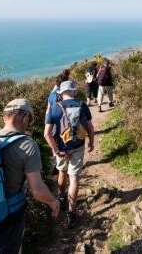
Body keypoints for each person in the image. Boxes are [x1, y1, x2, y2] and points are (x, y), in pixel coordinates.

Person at [0, 99, 60, 254]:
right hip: (9, 214)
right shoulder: (27, 144)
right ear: (24, 117)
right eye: (29, 119)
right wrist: (53, 201)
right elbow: (37, 191)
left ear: (5, 117)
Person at [44, 80, 94, 229]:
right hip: (78, 146)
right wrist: (91, 142)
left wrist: (56, 150)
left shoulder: (54, 107)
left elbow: (47, 134)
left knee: (62, 171)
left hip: (61, 148)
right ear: (73, 91)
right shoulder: (82, 105)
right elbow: (90, 127)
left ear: (61, 93)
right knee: (74, 179)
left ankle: (61, 196)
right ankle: (71, 214)